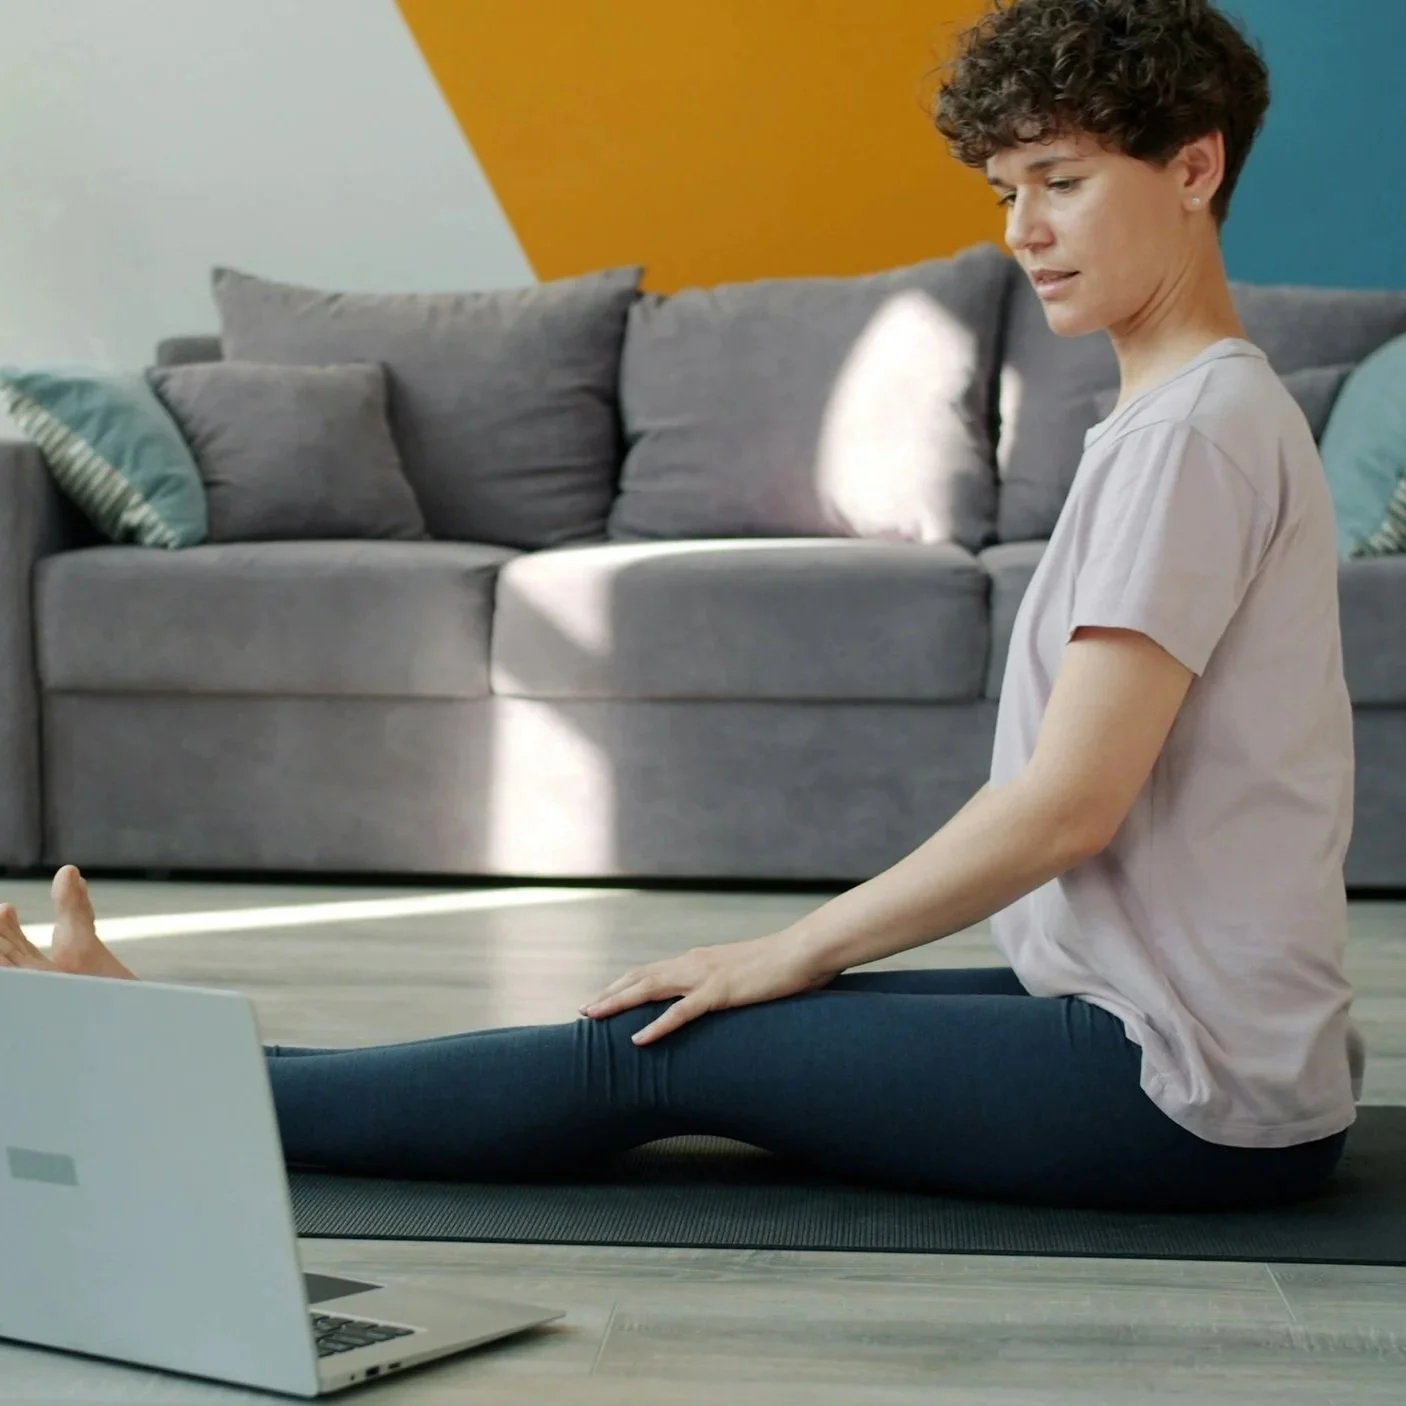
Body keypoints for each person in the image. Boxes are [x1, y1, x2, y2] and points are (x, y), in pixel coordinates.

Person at [0, 0, 1364, 1213]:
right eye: (1007, 189)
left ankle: (176, 1084)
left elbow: (1069, 804)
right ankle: (198, 1058)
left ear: (1194, 166)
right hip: (1185, 1040)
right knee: (674, 1013)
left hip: (1180, 1086)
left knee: (658, 1047)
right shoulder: (1185, 413)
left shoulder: (1191, 432)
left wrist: (785, 944)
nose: (1021, 231)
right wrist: (787, 961)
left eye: (1060, 182)